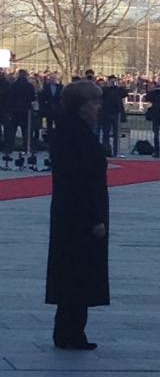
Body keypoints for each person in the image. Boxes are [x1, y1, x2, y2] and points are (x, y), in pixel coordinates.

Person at [45, 79, 109, 351]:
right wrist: (95, 218)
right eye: (93, 102)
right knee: (79, 270)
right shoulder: (77, 134)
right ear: (80, 106)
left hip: (69, 211)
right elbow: (82, 180)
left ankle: (69, 329)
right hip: (80, 213)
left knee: (71, 270)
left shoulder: (70, 130)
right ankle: (72, 331)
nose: (97, 107)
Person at [99, 75, 126, 156]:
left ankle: (115, 151)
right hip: (106, 113)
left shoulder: (118, 90)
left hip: (116, 113)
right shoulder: (104, 90)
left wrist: (120, 86)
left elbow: (125, 94)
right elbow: (100, 95)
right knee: (105, 133)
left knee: (116, 134)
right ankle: (106, 150)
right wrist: (106, 86)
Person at [144, 81, 160, 157]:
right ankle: (157, 151)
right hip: (156, 115)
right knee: (156, 135)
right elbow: (148, 98)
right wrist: (150, 90)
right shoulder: (154, 94)